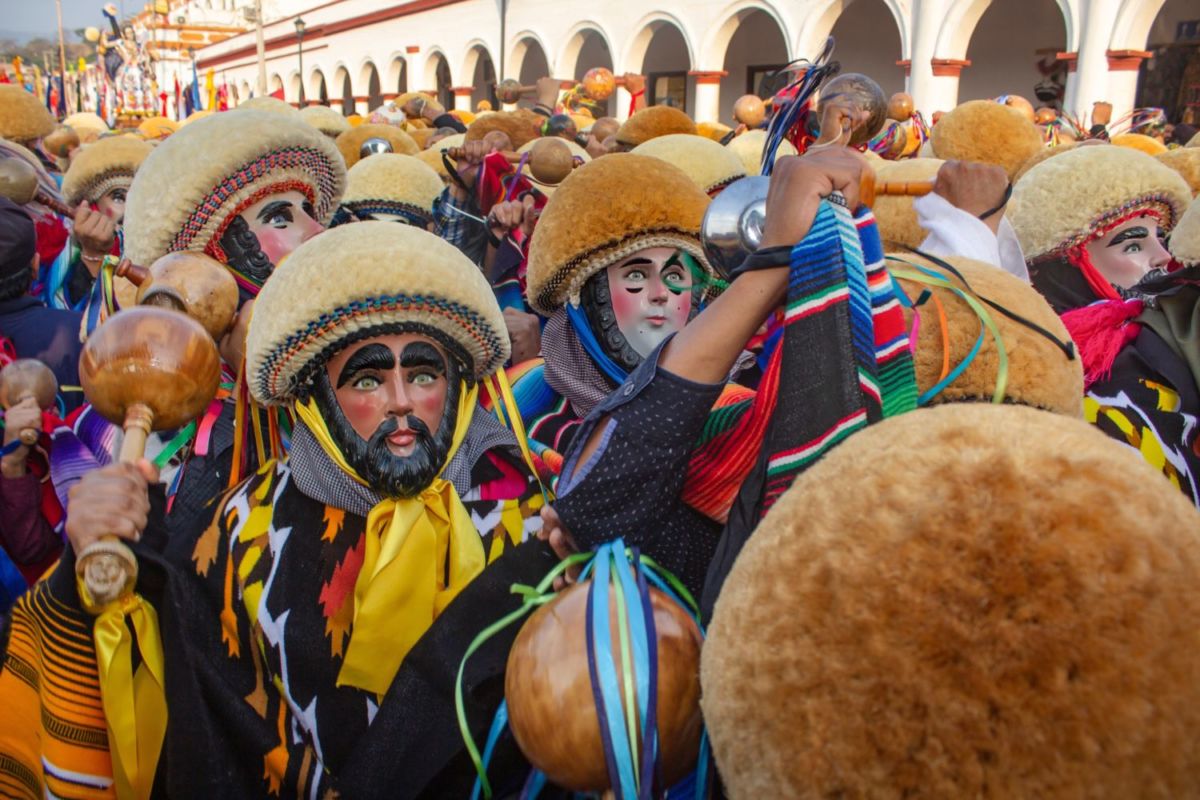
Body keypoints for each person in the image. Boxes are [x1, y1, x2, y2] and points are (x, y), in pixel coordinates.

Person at [58, 222, 549, 797]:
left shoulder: (528, 519)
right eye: (367, 379)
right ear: (317, 396)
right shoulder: (243, 530)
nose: (401, 402)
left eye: (422, 375)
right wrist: (109, 554)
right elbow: (193, 714)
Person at [506, 153, 718, 481]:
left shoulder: (733, 410)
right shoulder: (519, 406)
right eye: (636, 275)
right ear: (583, 296)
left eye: (675, 276)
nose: (660, 293)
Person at [1009, 142, 1198, 503]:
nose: (1162, 257)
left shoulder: (1169, 341)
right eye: (1132, 246)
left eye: (1161, 238)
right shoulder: (1030, 363)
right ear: (1066, 266)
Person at [44, 135, 153, 310]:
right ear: (92, 205)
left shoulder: (166, 246)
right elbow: (76, 316)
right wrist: (93, 255)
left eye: (139, 196)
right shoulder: (68, 258)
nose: (131, 208)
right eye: (119, 198)